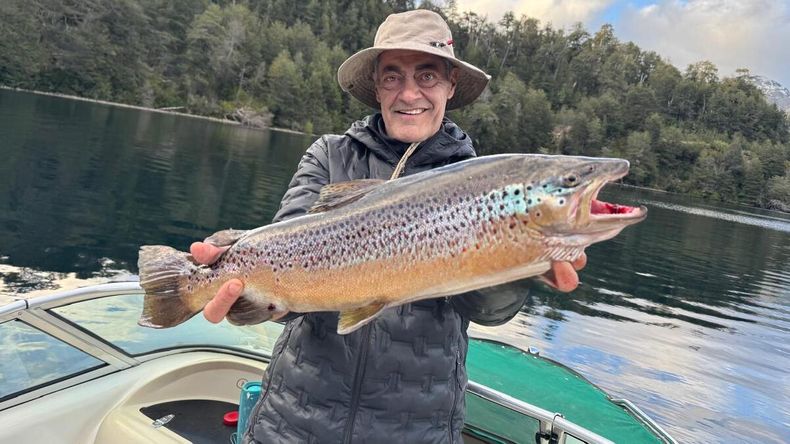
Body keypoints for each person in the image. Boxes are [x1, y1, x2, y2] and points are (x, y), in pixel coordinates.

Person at [191, 9, 586, 443]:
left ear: (451, 85)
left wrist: (520, 263)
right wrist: (247, 290)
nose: (409, 92)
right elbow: (288, 245)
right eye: (393, 76)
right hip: (296, 420)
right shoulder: (329, 155)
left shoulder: (483, 184)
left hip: (417, 428)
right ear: (377, 86)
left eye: (428, 76)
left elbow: (492, 312)